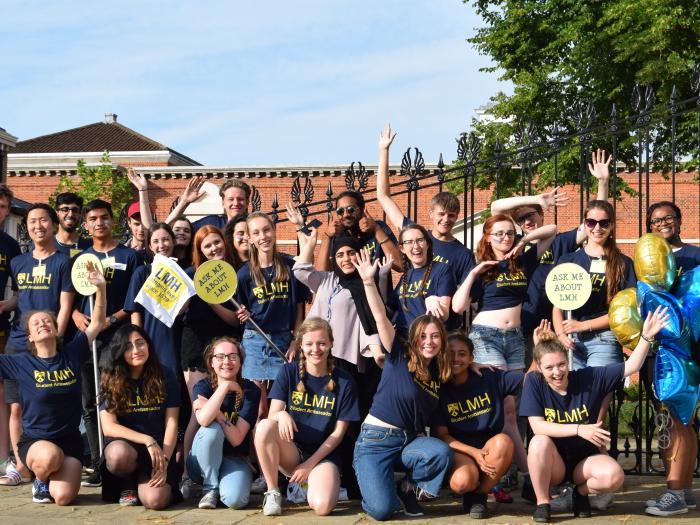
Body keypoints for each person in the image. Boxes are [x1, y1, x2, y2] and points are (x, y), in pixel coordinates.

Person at [520, 310, 669, 523]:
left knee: (614, 476)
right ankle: (543, 503)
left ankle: (579, 493)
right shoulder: (534, 382)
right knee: (538, 443)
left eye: (561, 364)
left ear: (568, 362)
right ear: (540, 369)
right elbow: (538, 427)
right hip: (554, 464)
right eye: (549, 367)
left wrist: (646, 336)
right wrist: (581, 428)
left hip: (585, 462)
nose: (557, 372)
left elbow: (632, 366)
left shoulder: (589, 377)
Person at [452, 213, 556, 489]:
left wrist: (525, 240)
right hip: (486, 337)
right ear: (487, 236)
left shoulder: (522, 261)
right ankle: (531, 476)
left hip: (515, 339)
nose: (504, 238)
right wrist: (474, 272)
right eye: (498, 233)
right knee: (508, 411)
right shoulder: (481, 267)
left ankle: (507, 468)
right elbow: (458, 307)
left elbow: (552, 231)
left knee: (517, 408)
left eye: (509, 233)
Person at [352, 249, 452, 520]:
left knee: (440, 452)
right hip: (375, 441)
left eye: (434, 337)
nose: (429, 342)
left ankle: (407, 488)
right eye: (423, 336)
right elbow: (380, 317)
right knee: (383, 511)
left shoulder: (438, 373)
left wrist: (474, 364)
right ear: (414, 339)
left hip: (408, 443)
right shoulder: (399, 353)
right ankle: (379, 490)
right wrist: (369, 282)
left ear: (442, 340)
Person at [490, 149, 611, 362]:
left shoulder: (560, 241)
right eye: (521, 219)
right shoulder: (513, 247)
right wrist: (535, 198)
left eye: (530, 214)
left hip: (560, 328)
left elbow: (595, 220)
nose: (526, 221)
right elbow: (496, 207)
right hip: (525, 327)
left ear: (541, 214)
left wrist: (602, 183)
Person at [0, 262, 105, 503]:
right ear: (31, 337)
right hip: (36, 442)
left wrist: (100, 289)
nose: (42, 324)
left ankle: (52, 480)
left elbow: (97, 323)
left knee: (63, 498)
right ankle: (39, 478)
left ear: (56, 329)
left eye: (47, 321)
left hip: (69, 441)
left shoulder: (72, 352)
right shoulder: (20, 362)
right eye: (36, 324)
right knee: (49, 457)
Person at [255, 317, 360, 516]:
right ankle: (273, 491)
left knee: (322, 507)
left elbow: (338, 434)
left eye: (321, 343)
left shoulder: (345, 381)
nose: (316, 349)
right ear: (301, 345)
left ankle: (308, 485)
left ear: (331, 344)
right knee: (264, 427)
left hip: (324, 455)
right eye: (309, 344)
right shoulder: (288, 372)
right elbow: (272, 414)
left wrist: (308, 466)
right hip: (293, 451)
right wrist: (282, 414)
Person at [2, 204, 75, 485]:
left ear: (53, 224)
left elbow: (65, 306)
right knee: (16, 407)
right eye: (32, 221)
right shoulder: (18, 262)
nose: (37, 226)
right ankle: (21, 466)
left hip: (48, 346)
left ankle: (48, 459)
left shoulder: (63, 261)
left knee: (45, 405)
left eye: (43, 220)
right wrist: (6, 304)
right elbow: (20, 298)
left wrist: (57, 339)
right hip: (19, 343)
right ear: (27, 227)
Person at [72, 199, 140, 487]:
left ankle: (117, 462)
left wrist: (110, 319)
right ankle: (98, 463)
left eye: (103, 218)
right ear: (86, 224)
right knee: (90, 404)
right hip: (88, 341)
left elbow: (134, 299)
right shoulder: (80, 257)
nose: (99, 223)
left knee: (113, 401)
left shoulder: (129, 255)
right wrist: (76, 314)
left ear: (113, 221)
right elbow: (71, 299)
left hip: (116, 340)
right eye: (93, 219)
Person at [643, 201, 700, 516]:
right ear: (649, 226)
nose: (662, 223)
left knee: (678, 421)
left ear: (679, 221)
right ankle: (685, 491)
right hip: (658, 349)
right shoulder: (643, 260)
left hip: (688, 351)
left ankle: (675, 493)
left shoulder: (695, 257)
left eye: (668, 218)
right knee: (678, 423)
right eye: (655, 220)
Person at [432, 332, 521, 519]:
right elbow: (442, 435)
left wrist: (538, 349)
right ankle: (470, 489)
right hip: (460, 450)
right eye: (450, 353)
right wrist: (473, 453)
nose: (456, 358)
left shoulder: (488, 376)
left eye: (462, 354)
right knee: (461, 483)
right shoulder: (438, 386)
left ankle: (478, 497)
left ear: (472, 358)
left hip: (490, 449)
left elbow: (528, 380)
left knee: (504, 442)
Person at [375, 123, 475, 285]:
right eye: (441, 214)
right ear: (431, 214)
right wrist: (384, 151)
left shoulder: (463, 254)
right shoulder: (416, 235)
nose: (446, 219)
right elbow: (383, 196)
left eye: (451, 215)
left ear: (457, 216)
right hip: (406, 306)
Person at [180, 226, 240, 492]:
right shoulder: (191, 275)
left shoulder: (233, 276)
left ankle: (220, 465)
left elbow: (232, 321)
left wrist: (212, 297)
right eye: (207, 246)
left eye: (217, 243)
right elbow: (176, 310)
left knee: (224, 408)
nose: (213, 249)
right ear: (200, 251)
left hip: (224, 349)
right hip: (194, 346)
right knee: (199, 410)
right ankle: (185, 474)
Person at [99, 325, 180, 509]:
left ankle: (145, 484)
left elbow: (172, 422)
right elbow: (109, 427)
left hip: (159, 450)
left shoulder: (165, 374)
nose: (136, 350)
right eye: (127, 346)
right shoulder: (110, 376)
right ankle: (128, 484)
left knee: (156, 501)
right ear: (119, 351)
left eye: (140, 343)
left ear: (148, 345)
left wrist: (164, 462)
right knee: (117, 455)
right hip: (127, 447)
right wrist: (147, 440)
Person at [553, 200, 636, 369]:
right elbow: (557, 305)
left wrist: (584, 325)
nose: (597, 228)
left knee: (597, 393)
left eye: (603, 223)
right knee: (576, 394)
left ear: (611, 226)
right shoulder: (568, 260)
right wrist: (560, 334)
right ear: (584, 224)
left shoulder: (623, 263)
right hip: (571, 339)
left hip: (604, 337)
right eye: (591, 222)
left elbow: (624, 311)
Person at [235, 212, 307, 391]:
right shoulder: (244, 274)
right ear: (250, 239)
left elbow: (299, 306)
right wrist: (242, 314)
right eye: (256, 233)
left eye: (266, 230)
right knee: (257, 407)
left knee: (282, 398)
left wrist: (295, 341)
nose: (263, 236)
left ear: (274, 231)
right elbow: (242, 310)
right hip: (255, 340)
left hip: (284, 340)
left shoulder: (289, 266)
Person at [186, 337, 260, 509]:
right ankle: (210, 488)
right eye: (220, 357)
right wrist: (224, 387)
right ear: (211, 362)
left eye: (233, 356)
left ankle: (221, 486)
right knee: (212, 429)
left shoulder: (251, 391)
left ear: (240, 362)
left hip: (233, 457)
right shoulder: (202, 386)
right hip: (201, 460)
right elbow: (204, 420)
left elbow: (237, 439)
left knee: (236, 500)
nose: (226, 361)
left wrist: (217, 413)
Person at [124, 223, 183, 372]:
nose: (161, 245)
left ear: (173, 241)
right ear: (149, 246)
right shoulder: (142, 272)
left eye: (166, 239)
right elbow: (134, 311)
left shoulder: (185, 272)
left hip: (181, 338)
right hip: (153, 338)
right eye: (156, 241)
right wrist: (138, 344)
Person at [316, 189, 401, 280]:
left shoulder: (379, 228)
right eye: (340, 211)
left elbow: (400, 265)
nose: (345, 215)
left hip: (377, 292)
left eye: (351, 209)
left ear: (362, 210)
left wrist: (376, 230)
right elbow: (321, 277)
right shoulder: (336, 236)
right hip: (347, 293)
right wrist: (327, 237)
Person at [393, 223, 458, 331]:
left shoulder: (442, 269)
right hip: (405, 340)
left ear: (427, 244)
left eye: (420, 240)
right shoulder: (405, 277)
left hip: (429, 338)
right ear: (402, 248)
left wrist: (434, 301)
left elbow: (444, 315)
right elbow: (389, 310)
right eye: (409, 242)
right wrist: (382, 277)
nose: (416, 246)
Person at [0, 184, 21, 477]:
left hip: (1, 327)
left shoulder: (10, 245)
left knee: (2, 392)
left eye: (3, 207)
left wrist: (7, 304)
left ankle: (4, 457)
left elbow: (22, 291)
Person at [167, 177, 250, 233]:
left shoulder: (255, 224)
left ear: (247, 203)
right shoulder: (212, 223)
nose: (235, 203)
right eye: (230, 199)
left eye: (240, 199)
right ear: (222, 203)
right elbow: (167, 229)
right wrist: (185, 202)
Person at [53, 192, 91, 257]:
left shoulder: (90, 246)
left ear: (80, 214)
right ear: (57, 213)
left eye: (75, 210)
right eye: (65, 210)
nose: (70, 214)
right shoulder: (46, 245)